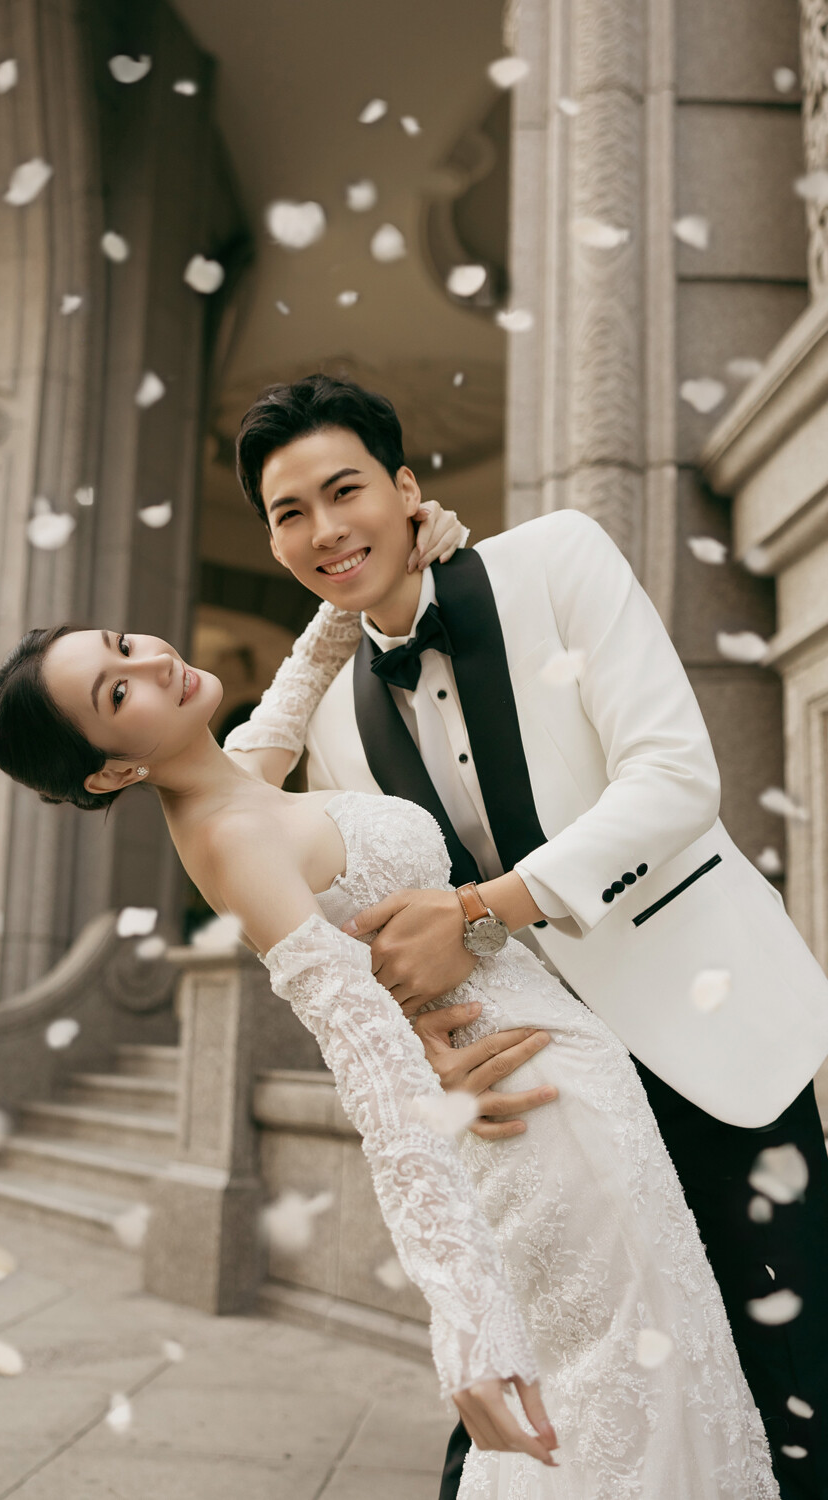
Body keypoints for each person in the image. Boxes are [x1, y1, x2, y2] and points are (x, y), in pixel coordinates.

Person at [0, 599, 777, 1492]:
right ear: (115, 770)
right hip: (532, 1108)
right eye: (118, 690)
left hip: (568, 1075)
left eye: (126, 644)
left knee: (654, 1372)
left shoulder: (235, 773)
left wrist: (357, 581)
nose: (154, 663)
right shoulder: (233, 837)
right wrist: (466, 1325)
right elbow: (375, 1080)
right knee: (625, 1394)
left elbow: (293, 688)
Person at [221, 374, 828, 1500]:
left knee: (791, 1383)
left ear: (407, 487)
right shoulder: (334, 718)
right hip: (544, 1099)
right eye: (288, 513)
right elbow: (366, 931)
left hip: (703, 1034)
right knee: (568, 1404)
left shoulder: (558, 558)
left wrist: (480, 910)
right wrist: (431, 1050)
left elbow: (674, 777)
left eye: (345, 490)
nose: (323, 529)